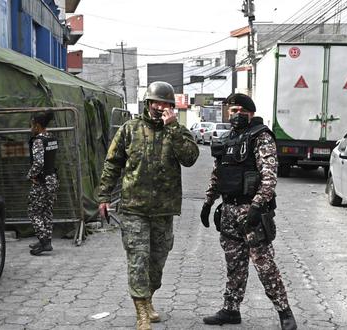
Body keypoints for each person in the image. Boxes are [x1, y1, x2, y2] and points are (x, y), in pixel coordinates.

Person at [98, 81, 199, 330]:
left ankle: (149, 299)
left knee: (157, 263)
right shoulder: (129, 130)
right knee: (138, 260)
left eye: (165, 103)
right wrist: (103, 196)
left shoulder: (177, 131)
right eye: (155, 102)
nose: (159, 107)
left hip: (164, 211)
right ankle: (141, 311)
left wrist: (173, 127)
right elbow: (112, 164)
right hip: (134, 209)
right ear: (147, 103)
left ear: (171, 107)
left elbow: (190, 159)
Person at [200, 93, 297, 330]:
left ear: (249, 112)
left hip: (251, 212)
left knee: (264, 264)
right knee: (234, 263)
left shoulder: (261, 137)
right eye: (231, 111)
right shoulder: (229, 139)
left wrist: (257, 205)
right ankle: (231, 310)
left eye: (238, 111)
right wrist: (208, 202)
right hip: (230, 210)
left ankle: (285, 312)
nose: (233, 115)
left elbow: (269, 176)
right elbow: (218, 174)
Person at [27, 111, 59, 256]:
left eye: (32, 125)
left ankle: (44, 241)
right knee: (46, 211)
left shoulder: (38, 141)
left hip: (41, 181)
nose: (31, 128)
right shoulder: (51, 138)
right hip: (52, 179)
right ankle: (46, 240)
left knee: (34, 212)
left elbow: (38, 162)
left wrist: (31, 175)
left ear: (38, 125)